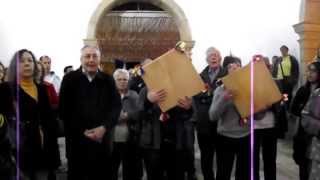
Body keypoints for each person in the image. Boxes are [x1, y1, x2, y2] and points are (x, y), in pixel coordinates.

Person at [59, 45, 121, 180]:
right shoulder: (69, 79)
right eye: (87, 56)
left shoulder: (108, 79)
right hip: (77, 144)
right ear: (81, 59)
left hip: (102, 143)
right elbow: (64, 110)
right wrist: (83, 131)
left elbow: (116, 107)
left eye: (95, 56)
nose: (91, 60)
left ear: (100, 60)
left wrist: (104, 128)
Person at [0, 49, 58, 180]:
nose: (27, 64)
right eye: (21, 61)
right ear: (15, 66)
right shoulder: (5, 89)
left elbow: (49, 121)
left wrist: (53, 158)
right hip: (18, 152)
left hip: (43, 150)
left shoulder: (42, 89)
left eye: (30, 60)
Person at [209, 56, 250, 180]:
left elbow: (257, 113)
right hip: (225, 137)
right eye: (231, 67)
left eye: (237, 66)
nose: (235, 68)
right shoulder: (220, 90)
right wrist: (224, 99)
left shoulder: (249, 88)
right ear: (227, 71)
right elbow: (212, 116)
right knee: (223, 172)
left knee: (243, 173)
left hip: (246, 135)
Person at [193, 47, 225, 180]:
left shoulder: (227, 75)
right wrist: (215, 96)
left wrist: (207, 96)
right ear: (207, 59)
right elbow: (196, 96)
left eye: (216, 55)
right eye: (211, 55)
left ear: (220, 58)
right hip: (204, 124)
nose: (213, 57)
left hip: (222, 124)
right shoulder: (200, 77)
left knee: (223, 159)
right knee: (206, 159)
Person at [291, 61, 320, 180]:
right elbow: (294, 111)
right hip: (303, 135)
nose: (310, 74)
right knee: (303, 169)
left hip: (317, 137)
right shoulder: (302, 90)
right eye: (308, 71)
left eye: (313, 71)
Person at [111, 69, 140, 180]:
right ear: (114, 81)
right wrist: (116, 117)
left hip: (130, 139)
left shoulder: (134, 95)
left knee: (130, 171)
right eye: (119, 79)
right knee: (111, 169)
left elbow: (139, 114)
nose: (122, 82)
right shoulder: (108, 96)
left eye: (125, 79)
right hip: (112, 140)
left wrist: (128, 116)